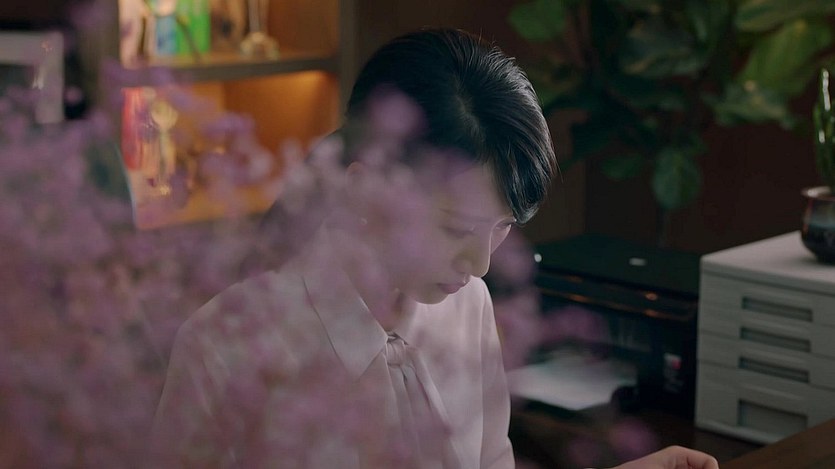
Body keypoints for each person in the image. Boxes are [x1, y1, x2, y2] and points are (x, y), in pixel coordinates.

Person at [151, 28, 719, 469]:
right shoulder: (224, 348)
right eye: (455, 228)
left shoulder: (468, 306)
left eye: (502, 227)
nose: (481, 265)